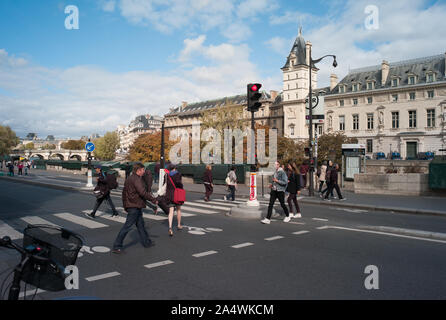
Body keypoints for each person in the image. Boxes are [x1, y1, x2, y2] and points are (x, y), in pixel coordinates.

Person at [112, 163, 157, 253]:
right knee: (127, 227)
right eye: (143, 170)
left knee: (140, 226)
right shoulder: (137, 179)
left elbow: (124, 193)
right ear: (139, 170)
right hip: (134, 206)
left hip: (133, 205)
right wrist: (153, 200)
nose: (144, 172)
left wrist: (125, 205)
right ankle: (117, 246)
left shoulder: (129, 178)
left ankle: (146, 242)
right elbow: (142, 192)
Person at [165, 163, 184, 237]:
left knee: (171, 211)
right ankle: (179, 224)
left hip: (169, 194)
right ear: (175, 168)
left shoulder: (167, 175)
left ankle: (170, 227)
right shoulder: (178, 174)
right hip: (177, 194)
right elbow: (179, 183)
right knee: (178, 209)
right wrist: (181, 187)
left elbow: (165, 184)